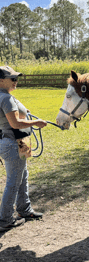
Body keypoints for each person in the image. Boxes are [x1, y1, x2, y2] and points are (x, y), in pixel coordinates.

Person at [0, 66, 47, 232]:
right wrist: (35, 122)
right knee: (13, 182)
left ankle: (24, 210)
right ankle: (5, 219)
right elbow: (15, 124)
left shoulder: (5, 96)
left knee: (22, 176)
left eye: (16, 78)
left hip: (18, 141)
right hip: (14, 142)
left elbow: (12, 118)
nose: (15, 81)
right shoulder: (5, 98)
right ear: (1, 80)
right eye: (12, 78)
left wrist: (24, 112)